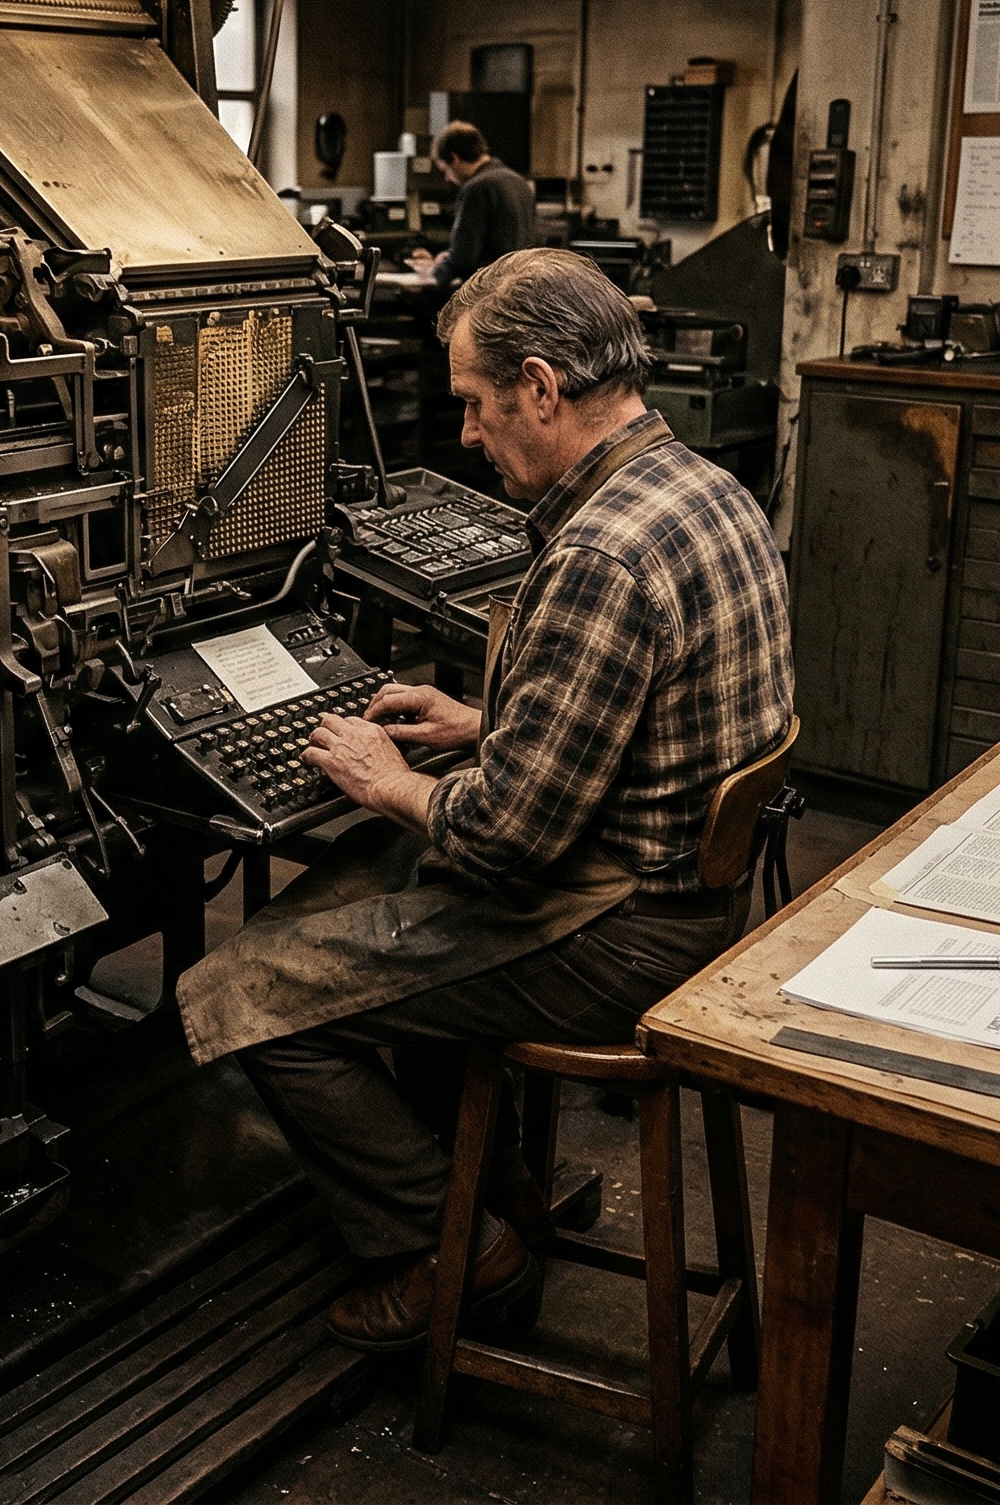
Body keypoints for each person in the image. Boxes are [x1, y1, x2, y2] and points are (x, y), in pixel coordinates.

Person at [176, 248, 794, 1350]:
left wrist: (394, 782)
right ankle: (485, 1179)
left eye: (474, 404)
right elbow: (643, 716)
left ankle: (448, 1250)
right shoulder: (705, 489)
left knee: (242, 989)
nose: (465, 435)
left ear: (543, 388)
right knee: (328, 916)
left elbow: (508, 838)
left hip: (620, 931)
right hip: (696, 892)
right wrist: (487, 726)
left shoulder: (600, 553)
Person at [406, 121, 539, 287]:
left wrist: (436, 271)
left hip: (487, 289)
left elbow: (463, 259)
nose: (447, 178)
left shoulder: (477, 188)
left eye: (445, 170)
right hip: (519, 286)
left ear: (454, 158)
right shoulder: (519, 182)